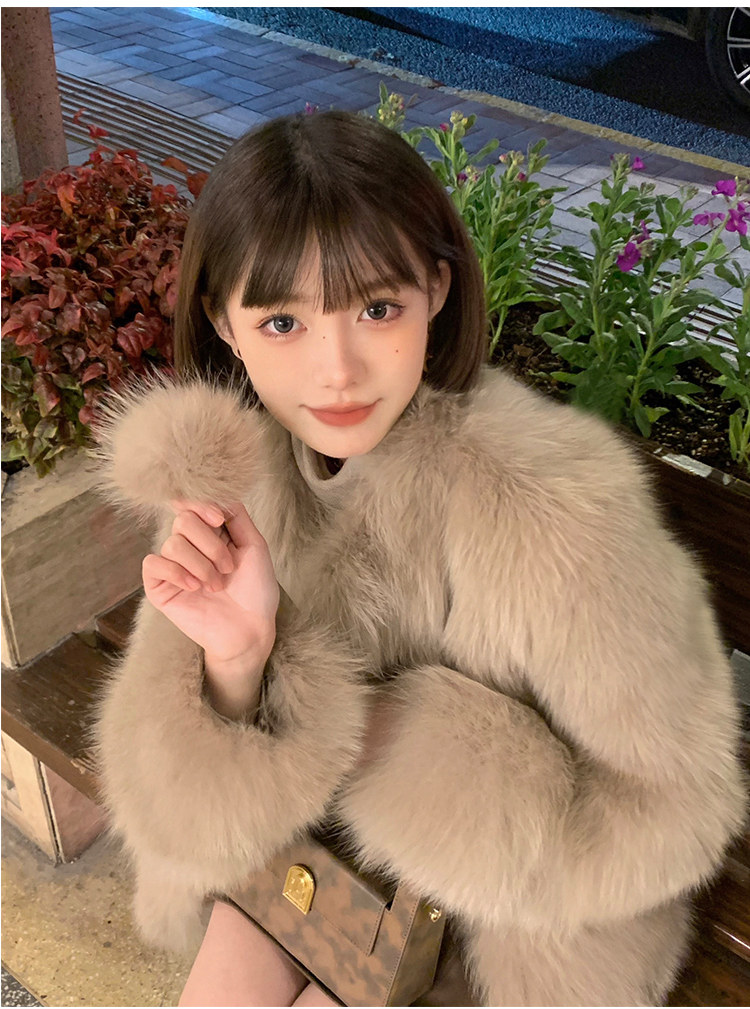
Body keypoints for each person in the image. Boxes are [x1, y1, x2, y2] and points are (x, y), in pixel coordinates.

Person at [94, 109, 746, 1008]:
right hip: (307, 859)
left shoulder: (544, 502)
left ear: (436, 290)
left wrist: (406, 754)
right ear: (223, 322)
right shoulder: (228, 475)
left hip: (514, 920)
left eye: (376, 309)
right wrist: (236, 661)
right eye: (282, 321)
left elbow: (676, 807)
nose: (337, 370)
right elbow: (170, 807)